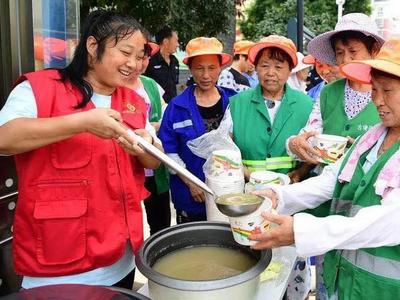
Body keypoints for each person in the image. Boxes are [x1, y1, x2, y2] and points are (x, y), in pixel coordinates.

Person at [0, 10, 161, 289]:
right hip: (58, 263)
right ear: (92, 46)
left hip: (120, 259)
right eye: (126, 52)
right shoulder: (39, 89)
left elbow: (152, 162)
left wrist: (144, 145)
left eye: (139, 56)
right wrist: (82, 122)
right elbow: (5, 138)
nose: (134, 64)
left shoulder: (133, 100)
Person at [250, 37, 400, 300]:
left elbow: (388, 221)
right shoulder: (372, 138)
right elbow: (333, 179)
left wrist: (300, 230)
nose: (377, 100)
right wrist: (281, 196)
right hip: (346, 279)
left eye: (387, 91)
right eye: (374, 90)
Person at [287, 13, 384, 184]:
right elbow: (310, 133)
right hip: (323, 193)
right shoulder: (328, 92)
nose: (345, 59)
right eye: (340, 52)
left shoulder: (388, 93)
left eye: (353, 51)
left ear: (374, 50)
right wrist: (294, 143)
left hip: (368, 193)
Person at [159, 37, 235, 224]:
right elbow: (168, 151)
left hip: (230, 194)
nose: (206, 75)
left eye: (212, 68)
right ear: (191, 69)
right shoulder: (177, 107)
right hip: (191, 197)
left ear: (221, 67)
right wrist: (191, 182)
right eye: (200, 68)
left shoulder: (235, 101)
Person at [222, 35, 313, 180]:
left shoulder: (307, 105)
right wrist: (248, 175)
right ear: (256, 68)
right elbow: (224, 149)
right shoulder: (237, 104)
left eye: (278, 67)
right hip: (248, 194)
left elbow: (315, 150)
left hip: (291, 194)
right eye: (264, 65)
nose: (271, 73)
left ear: (290, 70)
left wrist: (300, 173)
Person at [125, 41, 171, 235]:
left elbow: (166, 113)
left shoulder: (150, 84)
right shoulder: (114, 84)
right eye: (136, 57)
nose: (140, 63)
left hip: (153, 161)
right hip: (127, 162)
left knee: (160, 221)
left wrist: (155, 126)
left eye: (144, 57)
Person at [144, 26, 179, 103]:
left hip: (172, 106)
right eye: (176, 41)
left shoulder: (175, 61)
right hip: (155, 106)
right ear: (166, 41)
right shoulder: (149, 60)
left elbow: (174, 85)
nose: (178, 45)